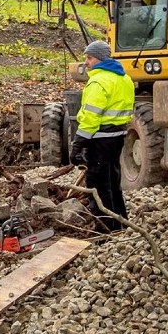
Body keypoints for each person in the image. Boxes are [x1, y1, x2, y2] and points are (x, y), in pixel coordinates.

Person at [69, 41, 135, 232]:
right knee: (113, 181)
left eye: (89, 58)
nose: (86, 62)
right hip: (117, 137)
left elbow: (90, 117)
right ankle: (120, 223)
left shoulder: (99, 81)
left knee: (98, 183)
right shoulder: (125, 79)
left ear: (100, 58)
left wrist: (77, 145)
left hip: (99, 139)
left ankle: (104, 229)